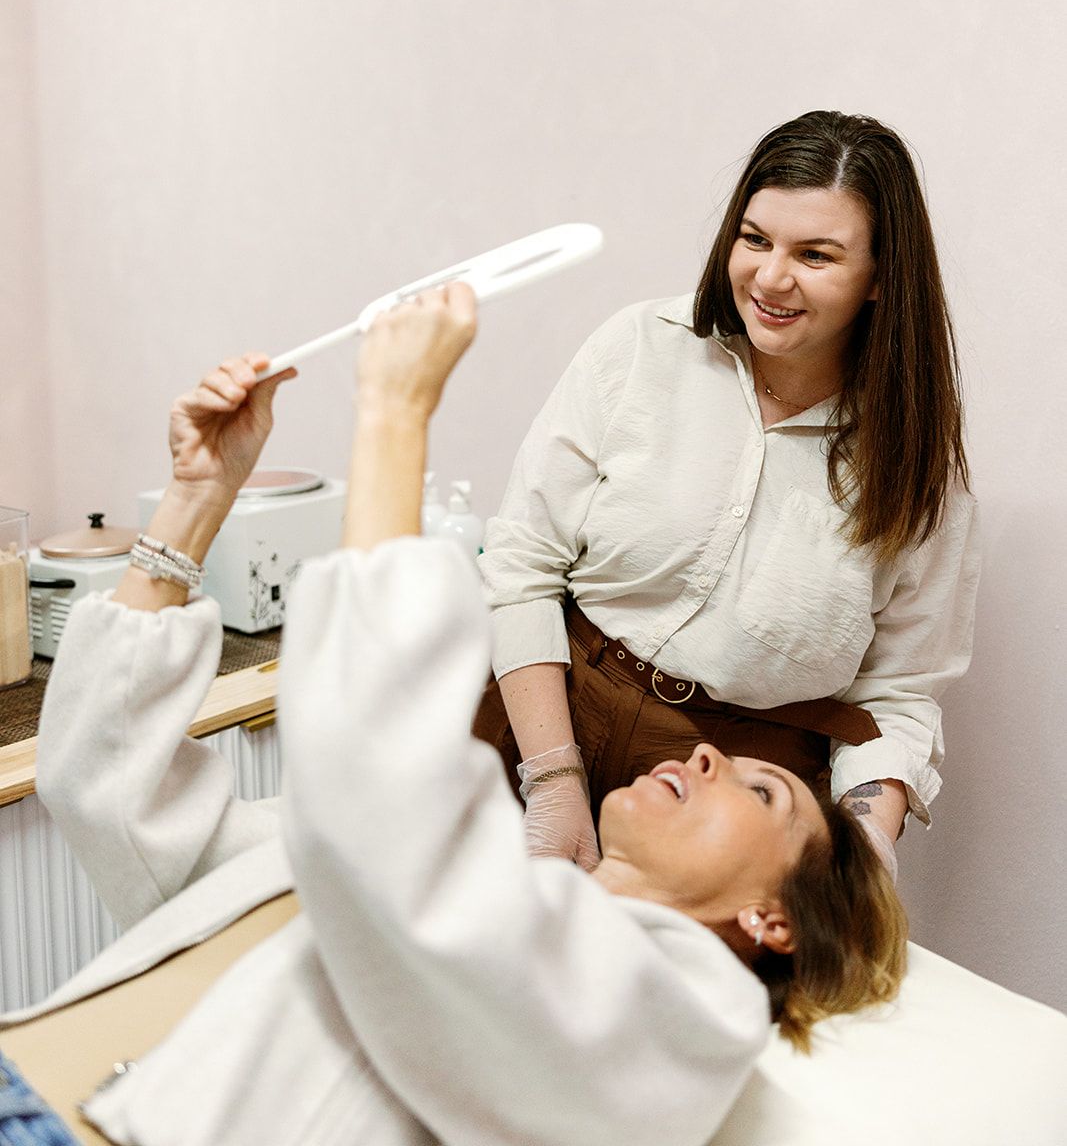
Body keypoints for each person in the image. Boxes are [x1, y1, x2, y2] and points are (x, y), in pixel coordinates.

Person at [0, 286, 905, 1146]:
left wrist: (395, 416)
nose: (709, 756)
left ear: (774, 921)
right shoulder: (488, 885)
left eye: (762, 790)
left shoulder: (678, 1020)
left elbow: (374, 810)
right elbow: (103, 788)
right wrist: (196, 500)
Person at [476, 110, 980, 876]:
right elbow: (521, 566)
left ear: (881, 278)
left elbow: (898, 695)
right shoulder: (641, 347)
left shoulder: (917, 464)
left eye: (815, 255)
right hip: (549, 718)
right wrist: (550, 779)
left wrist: (863, 859)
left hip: (728, 800)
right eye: (754, 239)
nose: (770, 278)